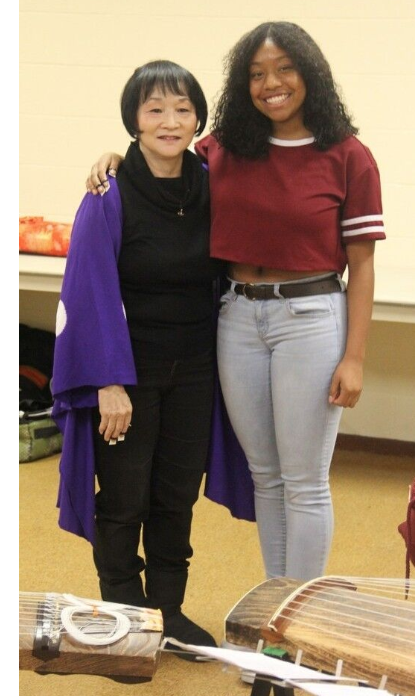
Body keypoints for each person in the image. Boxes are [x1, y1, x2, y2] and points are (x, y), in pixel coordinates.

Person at [86, 22, 383, 581]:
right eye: (256, 74)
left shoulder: (348, 155)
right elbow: (161, 148)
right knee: (265, 476)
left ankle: (300, 624)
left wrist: (355, 357)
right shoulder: (224, 149)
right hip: (239, 318)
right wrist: (113, 157)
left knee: (304, 480)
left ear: (309, 74)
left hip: (311, 318)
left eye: (284, 69)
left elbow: (363, 263)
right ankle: (274, 613)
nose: (271, 83)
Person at [53, 60, 255, 649]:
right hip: (128, 374)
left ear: (198, 119)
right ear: (133, 121)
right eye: (155, 109)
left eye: (183, 109)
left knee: (175, 496)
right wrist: (107, 384)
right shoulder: (108, 193)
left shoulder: (213, 181)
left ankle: (168, 613)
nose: (170, 121)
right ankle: (124, 615)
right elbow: (87, 290)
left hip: (195, 370)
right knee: (123, 498)